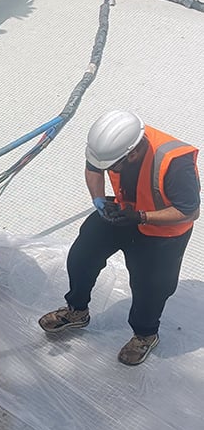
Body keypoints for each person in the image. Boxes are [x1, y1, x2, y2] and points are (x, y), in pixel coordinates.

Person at [39, 110, 200, 365]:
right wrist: (99, 200)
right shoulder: (109, 149)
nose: (106, 169)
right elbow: (93, 166)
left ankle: (145, 334)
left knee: (151, 288)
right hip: (125, 211)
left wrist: (142, 217)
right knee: (82, 256)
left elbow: (189, 210)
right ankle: (77, 310)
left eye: (112, 166)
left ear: (133, 153)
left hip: (163, 232)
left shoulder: (174, 162)